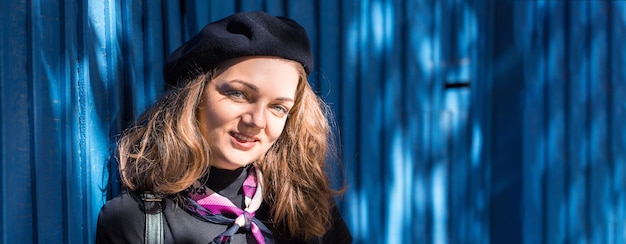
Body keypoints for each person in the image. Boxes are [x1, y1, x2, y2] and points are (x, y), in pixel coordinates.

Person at [95, 11, 352, 244]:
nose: (256, 121)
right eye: (238, 94)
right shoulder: (136, 221)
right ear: (193, 96)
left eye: (278, 107)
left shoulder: (309, 210)